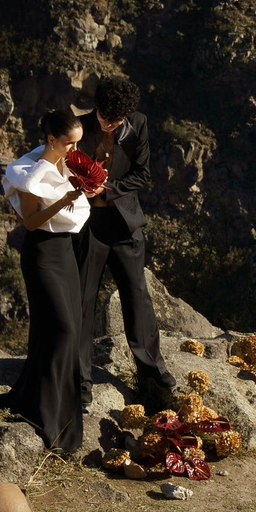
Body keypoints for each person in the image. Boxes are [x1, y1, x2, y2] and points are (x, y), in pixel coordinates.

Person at [2, 105, 93, 456]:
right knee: (61, 330)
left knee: (63, 328)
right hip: (41, 254)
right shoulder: (29, 172)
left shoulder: (66, 164)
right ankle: (44, 412)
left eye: (78, 143)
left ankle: (61, 414)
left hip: (65, 252)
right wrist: (64, 201)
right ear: (52, 139)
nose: (75, 149)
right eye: (69, 143)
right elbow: (30, 222)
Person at [79, 76, 160, 375]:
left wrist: (107, 188)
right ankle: (79, 378)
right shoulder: (79, 126)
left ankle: (153, 375)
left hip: (125, 223)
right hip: (88, 225)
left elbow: (142, 173)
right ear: (96, 107)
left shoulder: (138, 123)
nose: (109, 124)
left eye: (116, 120)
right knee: (82, 301)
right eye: (104, 117)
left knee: (138, 299)